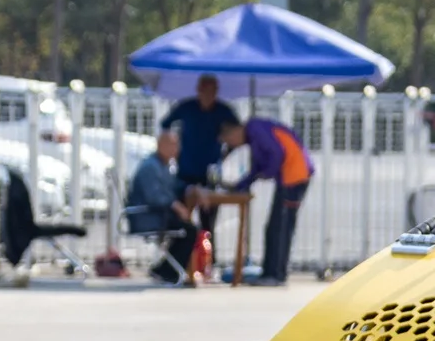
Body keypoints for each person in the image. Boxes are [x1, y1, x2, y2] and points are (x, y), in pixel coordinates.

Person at [216, 114, 313, 285]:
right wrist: (241, 185)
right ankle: (270, 271)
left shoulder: (255, 129)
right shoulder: (254, 135)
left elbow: (277, 154)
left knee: (280, 227)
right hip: (289, 178)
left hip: (294, 177)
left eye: (229, 140)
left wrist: (266, 172)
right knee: (274, 227)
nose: (232, 145)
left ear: (235, 132)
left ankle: (276, 275)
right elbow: (256, 168)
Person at [126, 129, 197, 282]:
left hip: (159, 215)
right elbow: (155, 196)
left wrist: (191, 189)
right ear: (160, 145)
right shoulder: (150, 167)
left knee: (188, 229)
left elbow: (174, 186)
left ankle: (164, 270)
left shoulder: (164, 166)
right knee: (189, 231)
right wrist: (177, 206)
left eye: (177, 145)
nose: (175, 149)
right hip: (148, 216)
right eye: (171, 144)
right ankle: (167, 272)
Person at [160, 74, 240, 192]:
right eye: (205, 90)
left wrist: (227, 152)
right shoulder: (187, 107)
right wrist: (173, 148)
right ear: (199, 90)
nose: (209, 95)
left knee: (210, 206)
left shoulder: (223, 111)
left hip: (211, 170)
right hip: (186, 168)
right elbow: (165, 124)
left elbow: (239, 133)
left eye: (212, 91)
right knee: (182, 205)